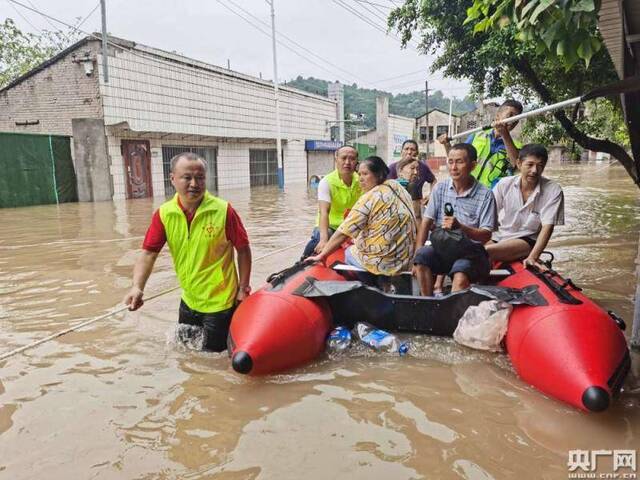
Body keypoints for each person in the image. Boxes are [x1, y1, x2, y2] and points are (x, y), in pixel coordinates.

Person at [123, 152, 252, 352]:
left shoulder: (224, 211)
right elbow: (149, 253)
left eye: (200, 178)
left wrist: (243, 288)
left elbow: (243, 250)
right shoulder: (164, 214)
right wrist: (137, 287)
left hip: (220, 303)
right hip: (188, 300)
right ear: (172, 179)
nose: (194, 183)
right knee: (186, 356)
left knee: (211, 361)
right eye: (187, 177)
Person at [307, 156, 417, 285]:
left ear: (379, 175)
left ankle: (370, 284)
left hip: (384, 264)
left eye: (365, 174)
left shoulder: (369, 197)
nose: (361, 179)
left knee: (348, 252)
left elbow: (343, 233)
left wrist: (322, 255)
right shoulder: (397, 187)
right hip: (405, 260)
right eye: (359, 174)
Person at [413, 144, 497, 296]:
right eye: (450, 162)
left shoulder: (486, 195)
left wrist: (461, 227)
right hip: (443, 249)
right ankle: (428, 304)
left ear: (473, 165)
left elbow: (486, 235)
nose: (454, 167)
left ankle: (453, 314)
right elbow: (426, 222)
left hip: (470, 253)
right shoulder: (440, 188)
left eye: (459, 162)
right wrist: (416, 254)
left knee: (460, 274)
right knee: (421, 257)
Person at [485, 144, 564, 269]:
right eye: (530, 165)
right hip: (499, 236)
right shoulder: (504, 184)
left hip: (525, 241)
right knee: (473, 247)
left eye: (540, 166)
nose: (534, 171)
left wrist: (533, 257)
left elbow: (547, 228)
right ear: (519, 163)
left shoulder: (553, 190)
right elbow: (488, 216)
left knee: (484, 251)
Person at [438, 99, 523, 189]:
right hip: (467, 189)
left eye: (516, 119)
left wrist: (505, 135)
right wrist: (447, 145)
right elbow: (457, 159)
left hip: (493, 196)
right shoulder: (477, 136)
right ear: (498, 116)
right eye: (510, 115)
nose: (513, 120)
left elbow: (516, 165)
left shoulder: (516, 146)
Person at [301, 145, 362, 258]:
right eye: (343, 158)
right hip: (331, 226)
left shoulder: (362, 181)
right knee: (320, 238)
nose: (347, 162)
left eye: (352, 159)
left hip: (353, 227)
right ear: (336, 160)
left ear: (357, 162)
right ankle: (303, 260)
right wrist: (324, 240)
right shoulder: (326, 182)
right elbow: (324, 212)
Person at [395, 156, 423, 221]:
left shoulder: (391, 185)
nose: (416, 172)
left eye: (417, 169)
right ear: (400, 171)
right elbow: (417, 215)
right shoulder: (412, 186)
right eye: (412, 168)